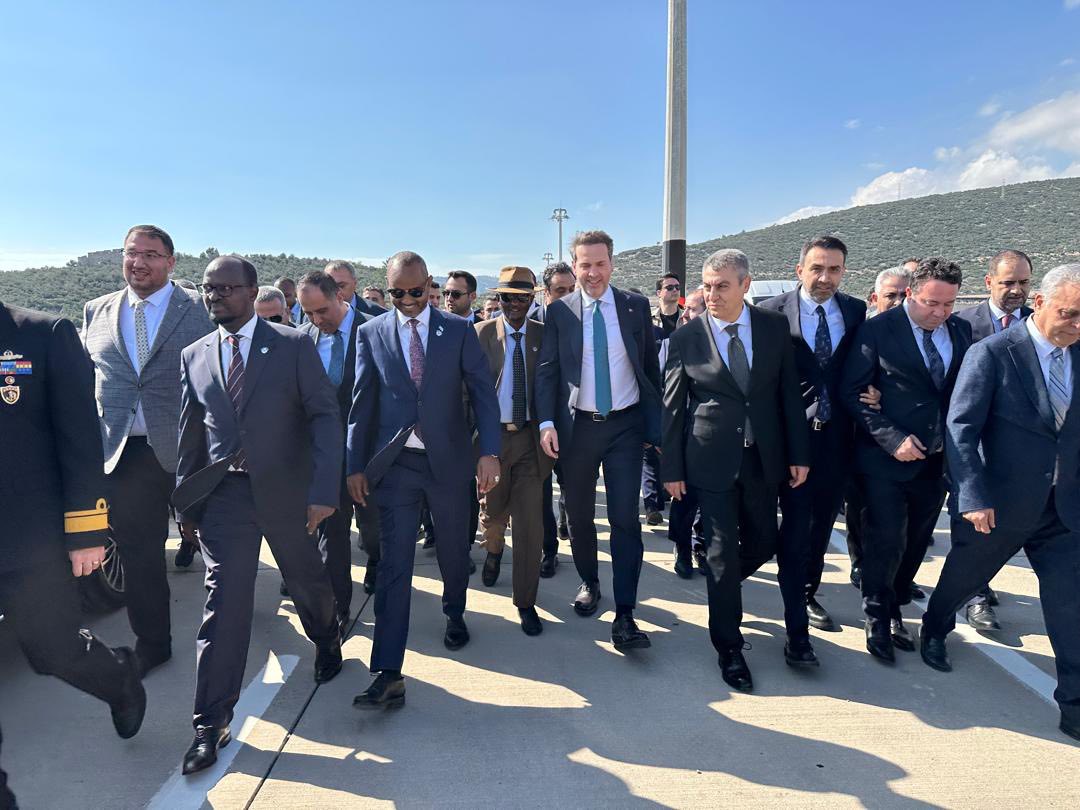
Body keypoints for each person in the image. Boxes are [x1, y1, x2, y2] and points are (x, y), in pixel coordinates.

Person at [174, 255, 343, 774]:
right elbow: (191, 434)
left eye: (226, 288)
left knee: (306, 578)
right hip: (225, 496)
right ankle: (210, 722)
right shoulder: (195, 355)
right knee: (225, 601)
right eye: (209, 288)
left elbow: (325, 416)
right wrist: (187, 502)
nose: (215, 296)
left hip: (288, 492)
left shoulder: (292, 345)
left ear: (251, 292)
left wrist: (323, 490)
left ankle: (327, 637)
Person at [920, 264, 1080, 743]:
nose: (1077, 324)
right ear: (1040, 303)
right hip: (999, 504)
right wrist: (972, 494)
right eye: (1069, 313)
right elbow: (961, 428)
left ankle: (1073, 704)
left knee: (1070, 607)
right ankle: (935, 624)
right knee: (964, 577)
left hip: (1063, 509)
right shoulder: (993, 352)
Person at [0, 301, 148, 807]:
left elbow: (81, 438)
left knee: (51, 652)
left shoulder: (42, 334)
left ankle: (119, 678)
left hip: (27, 539)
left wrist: (86, 530)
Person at [347, 251, 500, 710]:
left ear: (429, 284)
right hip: (396, 466)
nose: (408, 300)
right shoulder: (371, 333)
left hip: (448, 463)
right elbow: (361, 403)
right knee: (394, 565)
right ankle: (387, 671)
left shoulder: (456, 330)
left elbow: (482, 393)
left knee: (453, 551)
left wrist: (488, 452)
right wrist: (355, 465)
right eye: (398, 293)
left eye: (416, 291)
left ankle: (455, 611)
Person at [662, 249, 809, 689]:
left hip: (762, 458)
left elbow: (788, 394)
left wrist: (799, 454)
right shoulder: (687, 338)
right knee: (722, 554)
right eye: (707, 286)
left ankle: (719, 584)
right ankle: (729, 647)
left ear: (745, 285)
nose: (712, 294)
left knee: (764, 541)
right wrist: (671, 468)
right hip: (709, 461)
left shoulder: (773, 327)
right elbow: (673, 408)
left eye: (722, 286)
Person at [82, 224, 214, 677]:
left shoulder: (199, 309)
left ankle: (244, 626)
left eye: (151, 255)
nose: (138, 263)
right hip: (126, 453)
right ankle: (153, 644)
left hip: (192, 447)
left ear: (171, 262)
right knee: (140, 555)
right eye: (131, 253)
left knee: (222, 543)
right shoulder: (96, 310)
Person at [535, 230, 662, 651]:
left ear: (612, 263)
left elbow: (649, 368)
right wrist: (547, 422)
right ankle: (589, 582)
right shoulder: (559, 312)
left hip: (625, 427)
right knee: (579, 515)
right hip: (578, 430)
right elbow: (548, 371)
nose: (593, 272)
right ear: (574, 266)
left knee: (625, 519)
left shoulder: (635, 306)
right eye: (585, 265)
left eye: (600, 263)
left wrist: (654, 426)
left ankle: (626, 612)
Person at [841, 257, 972, 663]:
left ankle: (897, 602)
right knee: (886, 539)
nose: (940, 313)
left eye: (948, 304)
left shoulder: (961, 331)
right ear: (911, 294)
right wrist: (891, 437)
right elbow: (852, 392)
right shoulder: (878, 330)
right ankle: (877, 616)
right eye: (932, 303)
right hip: (885, 459)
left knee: (916, 540)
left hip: (936, 460)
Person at [758, 236, 866, 651]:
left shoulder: (855, 311)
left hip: (836, 437)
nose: (825, 278)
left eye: (834, 269)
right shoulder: (770, 312)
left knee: (819, 524)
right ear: (799, 269)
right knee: (789, 524)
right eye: (817, 268)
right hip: (787, 437)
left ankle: (805, 593)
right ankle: (792, 609)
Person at [948, 249, 1036, 628]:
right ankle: (976, 597)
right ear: (988, 282)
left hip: (1020, 449)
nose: (1017, 290)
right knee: (970, 523)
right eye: (1008, 282)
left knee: (1006, 526)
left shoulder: (1038, 323)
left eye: (1024, 282)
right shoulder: (961, 324)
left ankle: (981, 580)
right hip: (971, 442)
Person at [297, 270, 380, 630]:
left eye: (322, 311)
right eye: (308, 313)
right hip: (323, 458)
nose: (317, 320)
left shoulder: (374, 331)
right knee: (331, 536)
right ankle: (337, 608)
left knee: (373, 529)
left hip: (368, 454)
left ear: (340, 297)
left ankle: (377, 561)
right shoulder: (302, 339)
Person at [475, 266, 555, 634]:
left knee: (529, 526)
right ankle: (493, 551)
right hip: (492, 440)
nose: (515, 304)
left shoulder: (543, 334)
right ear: (499, 298)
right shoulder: (480, 334)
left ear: (531, 299)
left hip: (529, 441)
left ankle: (525, 601)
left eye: (522, 297)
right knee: (493, 517)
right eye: (508, 297)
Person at [847, 266, 910, 586]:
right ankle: (860, 562)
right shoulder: (862, 330)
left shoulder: (917, 332)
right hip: (862, 435)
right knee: (861, 506)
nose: (898, 302)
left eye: (904, 295)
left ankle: (896, 570)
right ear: (874, 298)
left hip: (904, 437)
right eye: (891, 295)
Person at [536, 262, 576, 575]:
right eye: (560, 290)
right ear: (546, 294)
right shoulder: (531, 325)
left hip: (573, 426)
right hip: (535, 427)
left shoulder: (584, 322)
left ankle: (569, 526)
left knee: (572, 491)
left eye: (572, 289)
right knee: (539, 495)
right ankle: (548, 551)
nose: (568, 295)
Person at [652, 272, 684, 337]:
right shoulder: (649, 318)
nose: (675, 290)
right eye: (670, 287)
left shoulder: (687, 317)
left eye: (677, 287)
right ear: (659, 293)